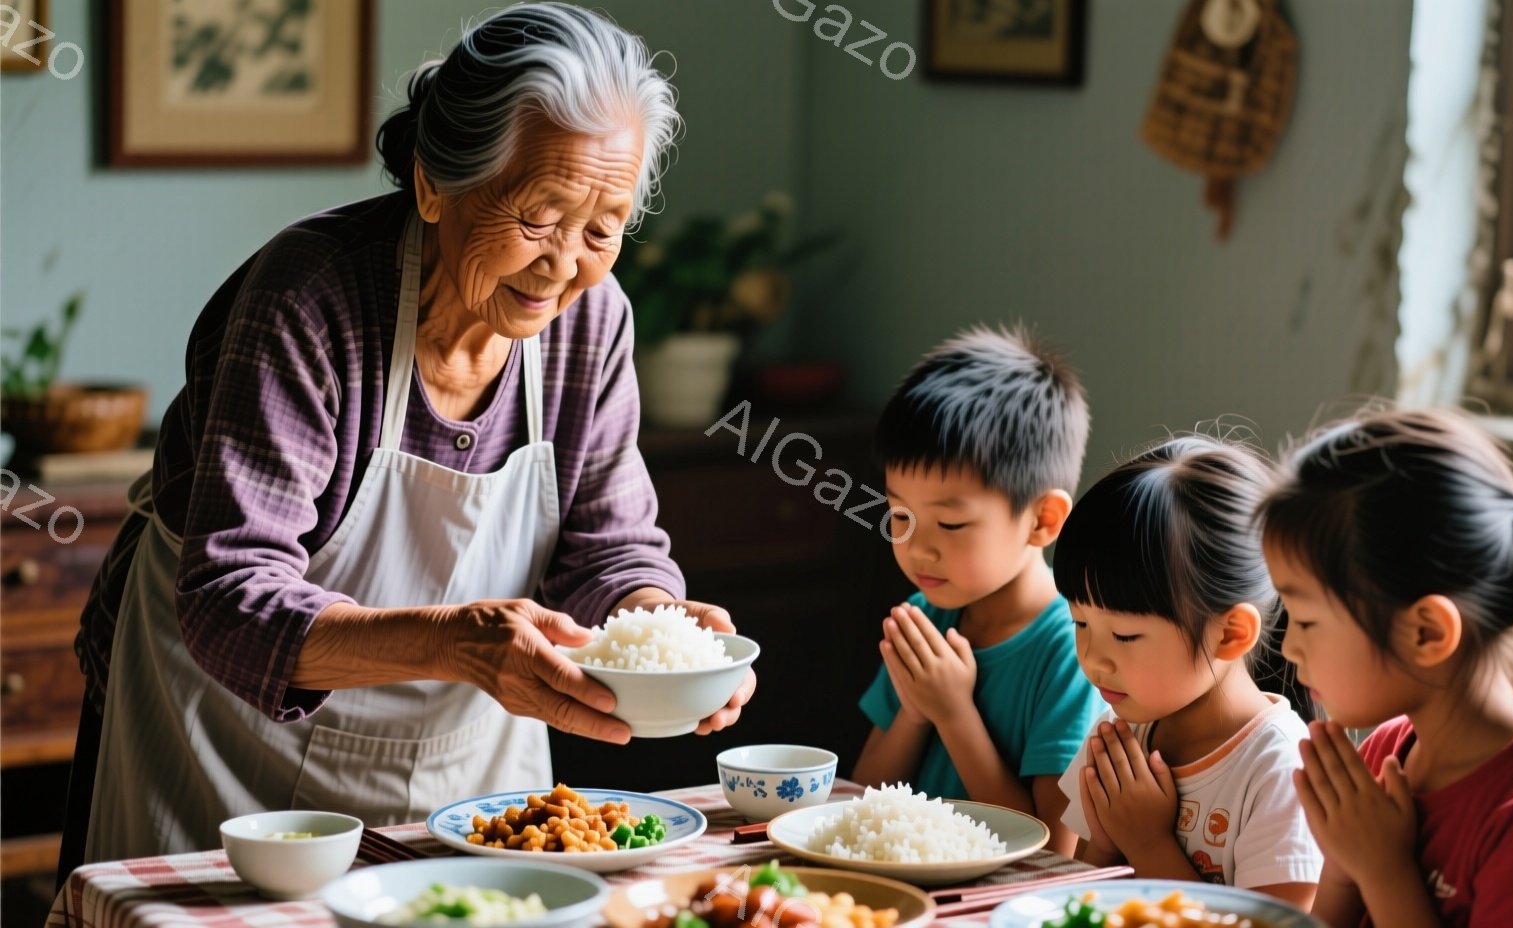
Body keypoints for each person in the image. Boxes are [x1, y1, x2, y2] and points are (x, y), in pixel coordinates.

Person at [60, 2, 753, 872]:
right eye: (538, 217)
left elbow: (606, 549)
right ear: (434, 184)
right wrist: (452, 643)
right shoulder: (309, 299)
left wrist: (663, 626)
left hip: (466, 758)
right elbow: (231, 597)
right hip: (225, 747)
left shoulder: (592, 323)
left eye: (602, 229)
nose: (563, 264)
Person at [1261, 408, 1513, 928]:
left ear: (1426, 632)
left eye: (1307, 620)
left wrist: (1383, 871)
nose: (1288, 647)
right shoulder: (1386, 754)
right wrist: (1343, 869)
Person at [849, 324, 1102, 855]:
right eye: (899, 515)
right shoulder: (927, 615)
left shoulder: (1074, 649)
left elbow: (1055, 851)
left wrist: (952, 712)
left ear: (1042, 520)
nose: (917, 549)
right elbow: (864, 797)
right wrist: (916, 712)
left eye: (953, 525)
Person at [1055, 436, 1321, 909]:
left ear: (1229, 634)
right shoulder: (1122, 731)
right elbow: (1081, 904)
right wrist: (1107, 841)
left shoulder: (1280, 770)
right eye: (1080, 623)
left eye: (1125, 636)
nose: (1093, 659)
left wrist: (1148, 843)